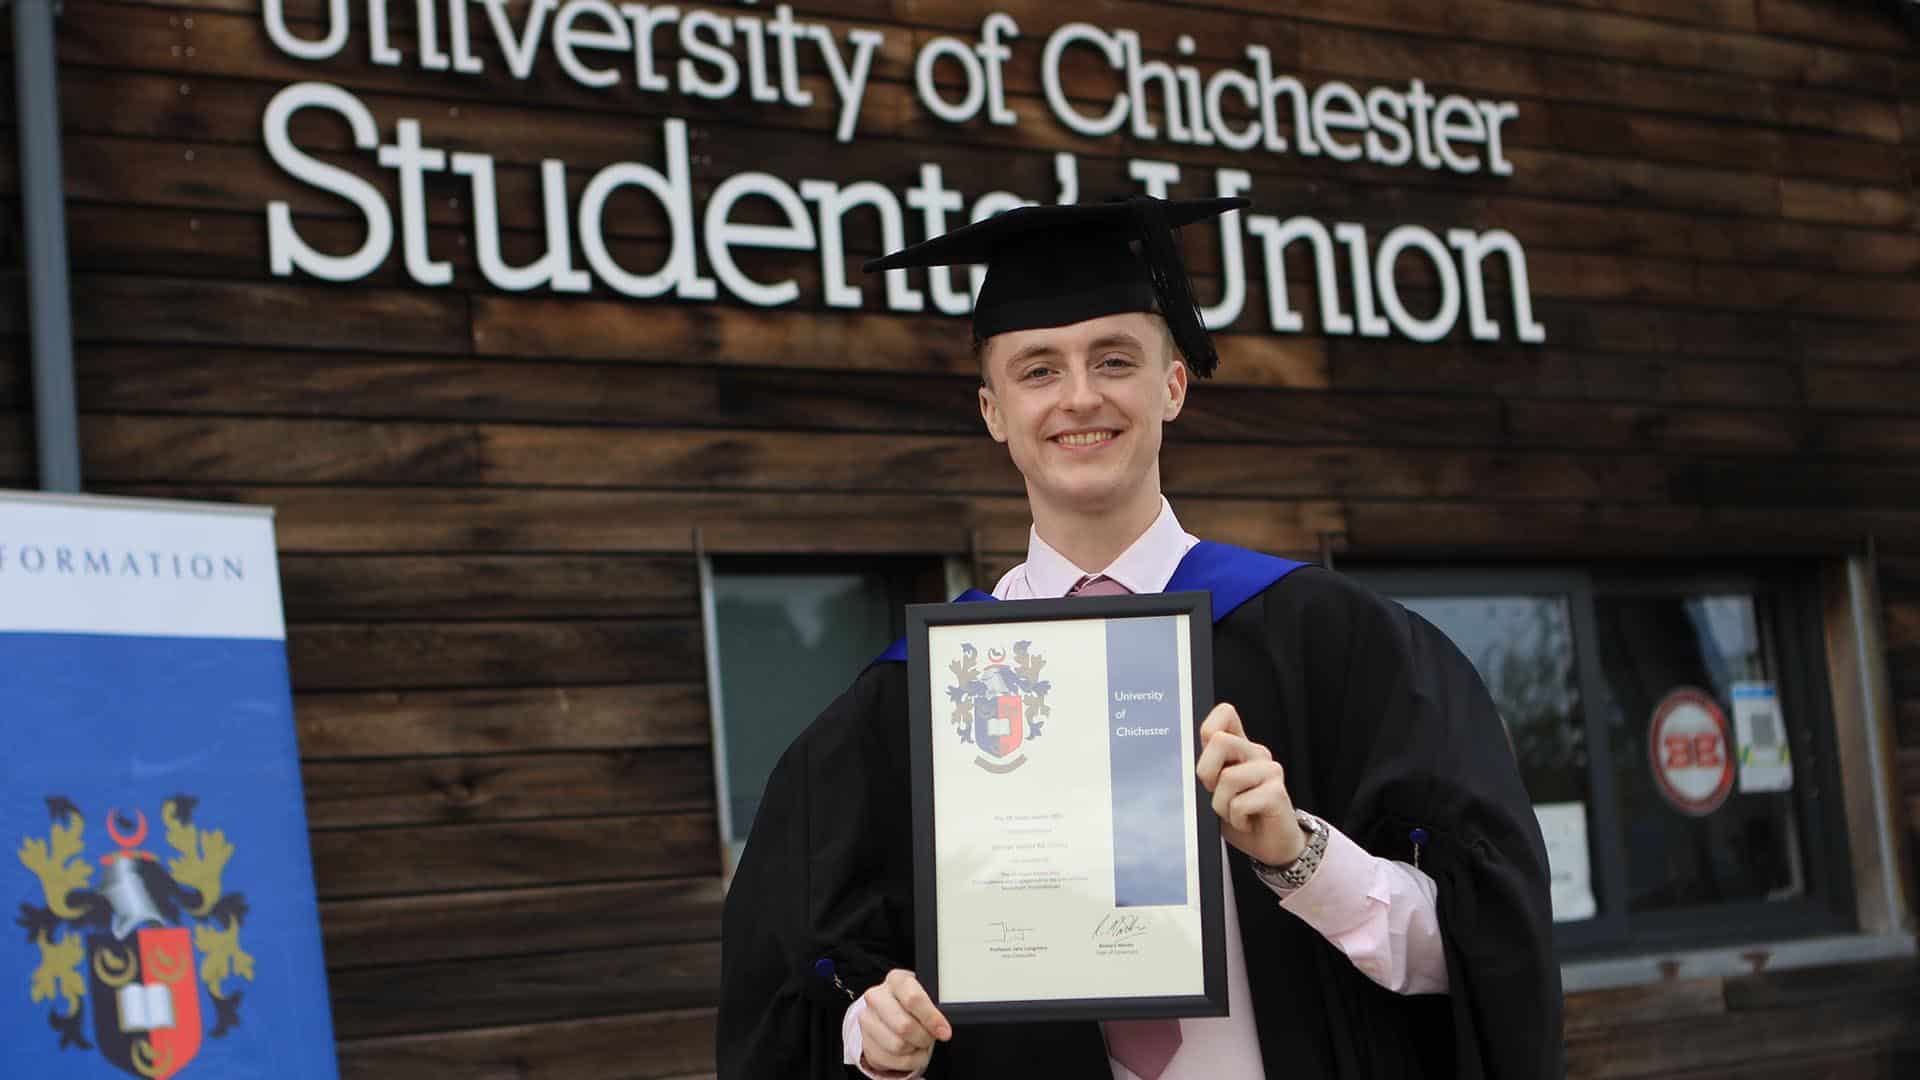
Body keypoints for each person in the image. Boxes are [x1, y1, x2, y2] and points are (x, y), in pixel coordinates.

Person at [717, 196, 1561, 1079]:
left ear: (1173, 384)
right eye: (1037, 370)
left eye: (1113, 359)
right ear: (992, 410)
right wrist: (873, 1038)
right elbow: (796, 984)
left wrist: (1300, 855)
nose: (1080, 396)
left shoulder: (1338, 644)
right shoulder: (913, 700)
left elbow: (1485, 956)